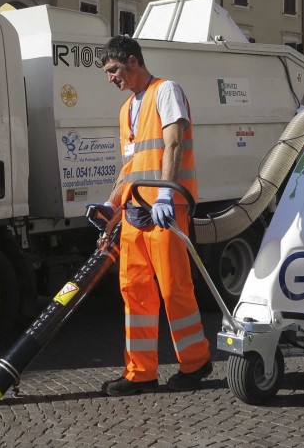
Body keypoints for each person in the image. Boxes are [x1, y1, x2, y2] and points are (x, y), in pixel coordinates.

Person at [89, 35, 212, 396]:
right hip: (133, 213)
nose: (111, 78)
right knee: (134, 291)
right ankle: (139, 373)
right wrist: (111, 206)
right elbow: (130, 165)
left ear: (132, 61)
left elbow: (173, 143)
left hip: (164, 211)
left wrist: (166, 195)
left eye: (113, 70)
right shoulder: (126, 110)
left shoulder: (166, 91)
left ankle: (196, 362)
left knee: (175, 287)